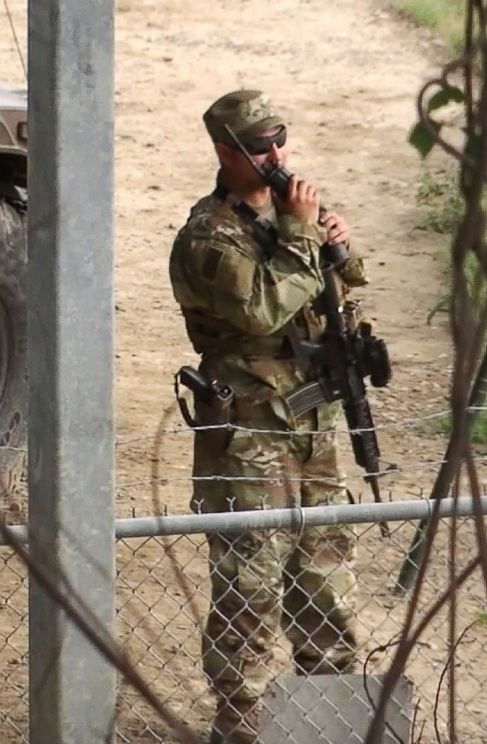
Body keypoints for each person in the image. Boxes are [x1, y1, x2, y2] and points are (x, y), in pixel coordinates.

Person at [169, 89, 369, 744]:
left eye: (280, 139)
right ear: (227, 152)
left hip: (311, 429)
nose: (277, 155)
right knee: (249, 588)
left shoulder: (297, 213)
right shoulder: (208, 236)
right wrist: (303, 236)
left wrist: (336, 242)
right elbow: (261, 311)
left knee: (325, 580)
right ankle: (243, 729)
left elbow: (345, 289)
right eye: (260, 145)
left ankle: (328, 721)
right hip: (249, 436)